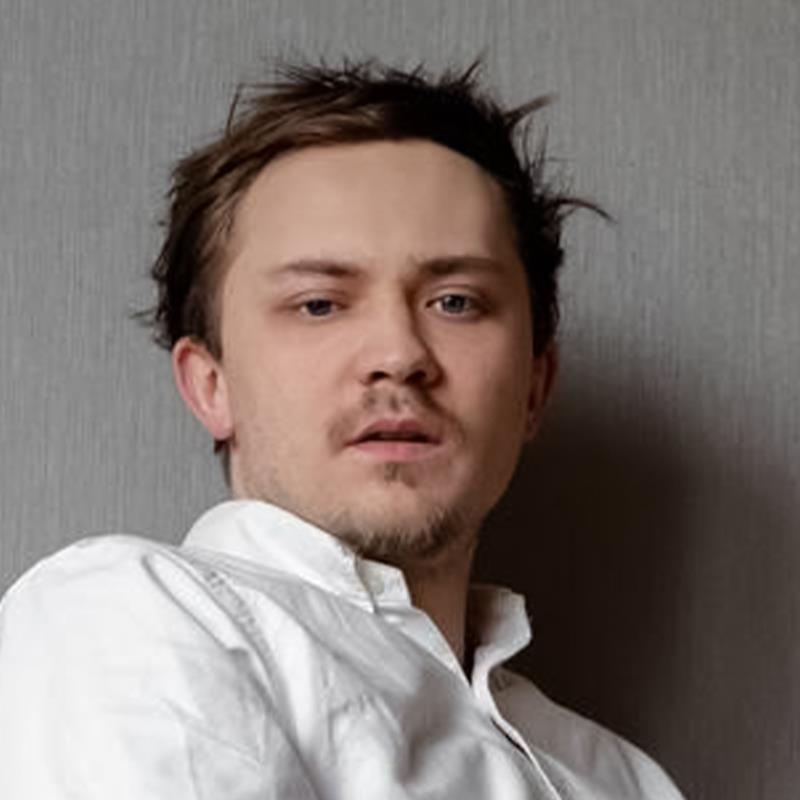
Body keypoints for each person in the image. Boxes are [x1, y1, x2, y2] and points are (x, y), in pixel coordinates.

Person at [0, 60, 684, 799]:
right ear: (211, 385)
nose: (399, 354)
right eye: (319, 304)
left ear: (534, 388)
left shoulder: (624, 779)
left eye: (456, 301)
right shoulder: (120, 618)